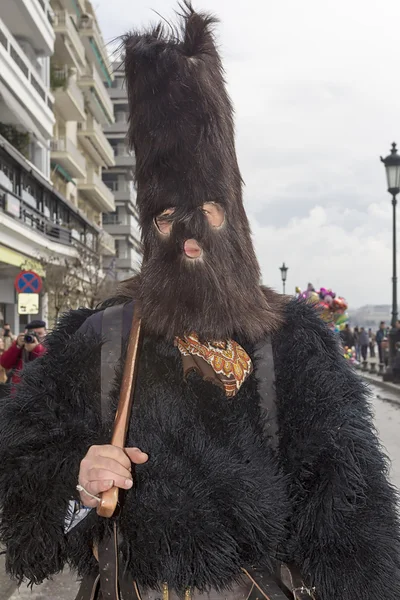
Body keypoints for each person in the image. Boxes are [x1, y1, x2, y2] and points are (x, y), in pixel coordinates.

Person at [0, 6, 399, 600]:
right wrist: (76, 483)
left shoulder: (294, 340)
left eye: (208, 211)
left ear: (234, 218)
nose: (189, 236)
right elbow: (21, 476)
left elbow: (352, 516)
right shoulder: (98, 338)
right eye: (166, 217)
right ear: (147, 230)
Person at [0, 319, 46, 385]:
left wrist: (36, 349)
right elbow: (4, 363)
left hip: (39, 389)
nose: (36, 337)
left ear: (45, 333)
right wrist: (17, 345)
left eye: (39, 334)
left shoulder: (50, 345)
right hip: (18, 389)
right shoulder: (22, 346)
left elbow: (46, 366)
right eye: (33, 334)